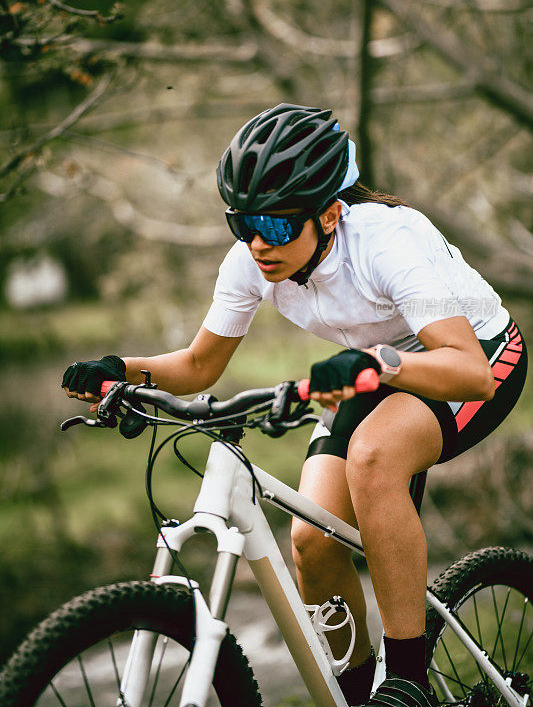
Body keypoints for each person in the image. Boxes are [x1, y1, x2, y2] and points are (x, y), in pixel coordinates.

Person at [62, 104, 528, 707]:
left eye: (278, 226)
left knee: (373, 458)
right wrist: (119, 370)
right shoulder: (254, 261)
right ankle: (361, 698)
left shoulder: (389, 242)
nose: (258, 243)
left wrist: (379, 364)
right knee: (311, 541)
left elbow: (468, 371)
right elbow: (198, 366)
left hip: (476, 356)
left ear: (330, 213)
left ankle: (407, 681)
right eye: (242, 223)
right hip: (376, 365)